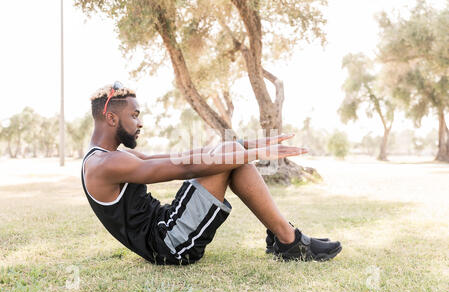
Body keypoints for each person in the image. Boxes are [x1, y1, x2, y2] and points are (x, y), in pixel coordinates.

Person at [81, 82, 342, 265]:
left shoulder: (110, 157)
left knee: (232, 159)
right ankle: (289, 241)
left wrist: (253, 145)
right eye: (134, 115)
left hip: (166, 228)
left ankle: (285, 237)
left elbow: (181, 157)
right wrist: (255, 153)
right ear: (112, 119)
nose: (140, 123)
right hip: (169, 245)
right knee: (230, 160)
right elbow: (184, 167)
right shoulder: (103, 164)